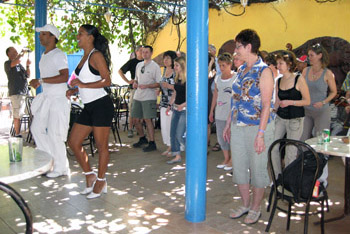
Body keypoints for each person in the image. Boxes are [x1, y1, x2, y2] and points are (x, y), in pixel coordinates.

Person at [223, 29, 274, 224]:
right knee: (240, 168)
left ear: (249, 47)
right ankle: (245, 204)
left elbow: (267, 105)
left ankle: (255, 207)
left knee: (257, 169)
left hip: (257, 128)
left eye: (238, 46)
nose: (235, 50)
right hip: (238, 126)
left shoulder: (264, 71)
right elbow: (235, 101)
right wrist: (228, 124)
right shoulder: (241, 70)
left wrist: (261, 134)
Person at [66, 24, 114, 199]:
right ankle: (89, 174)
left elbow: (107, 80)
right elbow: (85, 82)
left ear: (90, 37)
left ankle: (101, 180)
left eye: (81, 34)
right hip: (89, 106)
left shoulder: (96, 55)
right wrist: (75, 90)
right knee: (73, 142)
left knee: (101, 146)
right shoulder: (84, 57)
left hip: (101, 105)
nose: (77, 36)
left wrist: (83, 85)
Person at [29, 24, 70, 178]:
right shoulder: (45, 55)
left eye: (44, 34)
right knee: (36, 128)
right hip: (47, 99)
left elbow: (64, 76)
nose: (40, 36)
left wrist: (41, 80)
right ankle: (50, 162)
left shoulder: (59, 54)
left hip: (58, 100)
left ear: (53, 37)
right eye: (41, 34)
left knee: (55, 134)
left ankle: (61, 168)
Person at [300, 43, 337, 187]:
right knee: (302, 140)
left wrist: (323, 101)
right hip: (307, 110)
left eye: (311, 55)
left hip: (322, 111)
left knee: (322, 142)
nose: (309, 58)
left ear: (320, 56)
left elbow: (333, 92)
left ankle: (323, 177)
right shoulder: (306, 71)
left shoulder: (328, 73)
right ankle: (303, 170)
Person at [271, 50, 310, 176]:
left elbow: (307, 101)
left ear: (289, 64)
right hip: (281, 117)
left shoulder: (299, 79)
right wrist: (271, 111)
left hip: (296, 119)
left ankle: (289, 179)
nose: (278, 67)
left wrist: (290, 102)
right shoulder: (278, 80)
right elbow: (277, 100)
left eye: (281, 63)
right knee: (273, 147)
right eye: (277, 63)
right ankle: (277, 178)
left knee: (290, 151)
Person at [209, 53, 242, 171]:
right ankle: (226, 158)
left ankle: (233, 160)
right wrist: (212, 110)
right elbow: (215, 95)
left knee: (232, 136)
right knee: (221, 136)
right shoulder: (218, 78)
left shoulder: (236, 77)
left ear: (230, 64)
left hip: (232, 112)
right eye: (220, 65)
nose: (221, 68)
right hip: (220, 111)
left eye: (224, 65)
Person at [131, 45, 162, 152]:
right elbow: (136, 79)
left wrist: (148, 86)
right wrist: (135, 83)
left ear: (151, 53)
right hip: (138, 96)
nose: (144, 54)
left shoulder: (155, 67)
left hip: (149, 97)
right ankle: (142, 138)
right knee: (135, 119)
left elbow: (159, 83)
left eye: (147, 52)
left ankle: (152, 142)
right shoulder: (139, 65)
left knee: (148, 119)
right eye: (143, 52)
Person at [4, 47, 30, 137]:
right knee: (17, 113)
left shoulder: (20, 65)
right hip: (15, 91)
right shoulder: (7, 63)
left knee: (22, 113)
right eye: (14, 51)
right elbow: (16, 61)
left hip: (23, 92)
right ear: (9, 54)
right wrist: (22, 53)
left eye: (16, 51)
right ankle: (17, 134)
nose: (16, 52)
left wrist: (27, 66)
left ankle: (19, 133)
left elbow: (27, 75)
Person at [118, 45, 143, 138]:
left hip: (144, 89)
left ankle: (139, 128)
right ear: (136, 52)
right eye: (140, 50)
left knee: (142, 110)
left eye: (143, 50)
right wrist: (128, 81)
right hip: (134, 89)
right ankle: (130, 128)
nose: (142, 52)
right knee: (132, 109)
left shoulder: (146, 62)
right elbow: (120, 71)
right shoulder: (132, 62)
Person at [166, 56, 186, 164]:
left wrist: (183, 105)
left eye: (176, 65)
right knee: (173, 132)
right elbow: (175, 92)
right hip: (176, 108)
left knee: (180, 134)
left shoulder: (188, 79)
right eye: (174, 65)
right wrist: (170, 104)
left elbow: (193, 97)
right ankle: (177, 155)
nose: (175, 67)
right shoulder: (177, 78)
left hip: (184, 109)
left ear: (182, 66)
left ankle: (192, 151)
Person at [159, 50, 177, 156]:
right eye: (164, 58)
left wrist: (169, 86)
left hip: (172, 102)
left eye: (168, 58)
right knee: (164, 126)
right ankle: (168, 145)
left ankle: (173, 147)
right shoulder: (164, 71)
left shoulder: (176, 72)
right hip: (163, 101)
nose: (165, 60)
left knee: (171, 125)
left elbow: (179, 87)